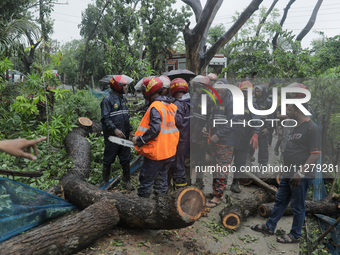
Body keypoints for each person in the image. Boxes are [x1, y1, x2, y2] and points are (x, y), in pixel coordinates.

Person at [251, 102, 321, 244]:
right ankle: (270, 226)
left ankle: (295, 235)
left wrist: (300, 174)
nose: (286, 113)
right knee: (280, 200)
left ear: (297, 111)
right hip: (287, 173)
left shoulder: (312, 128)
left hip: (300, 176)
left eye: (289, 110)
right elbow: (292, 149)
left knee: (297, 206)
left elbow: (315, 155)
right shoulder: (296, 127)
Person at [132, 77, 179, 198]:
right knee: (161, 182)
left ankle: (143, 208)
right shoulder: (170, 106)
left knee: (146, 182)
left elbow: (155, 129)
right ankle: (160, 206)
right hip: (169, 152)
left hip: (156, 153)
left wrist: (139, 140)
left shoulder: (155, 107)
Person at [203, 80, 234, 208]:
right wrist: (206, 127)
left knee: (221, 169)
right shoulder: (217, 101)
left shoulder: (231, 102)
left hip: (225, 142)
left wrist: (218, 135)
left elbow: (233, 123)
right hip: (214, 141)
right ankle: (216, 191)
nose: (218, 90)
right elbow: (212, 117)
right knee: (215, 167)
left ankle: (218, 196)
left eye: (221, 88)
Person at [100, 75, 134, 189]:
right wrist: (115, 130)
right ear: (117, 86)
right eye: (124, 85)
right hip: (112, 137)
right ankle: (104, 181)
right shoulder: (107, 100)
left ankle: (127, 182)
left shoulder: (123, 99)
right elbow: (105, 118)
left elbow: (126, 117)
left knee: (126, 158)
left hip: (124, 136)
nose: (126, 87)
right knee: (108, 158)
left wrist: (130, 130)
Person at [230, 81, 259, 193]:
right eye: (244, 91)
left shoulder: (253, 106)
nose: (246, 94)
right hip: (231, 138)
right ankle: (220, 185)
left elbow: (257, 120)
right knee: (225, 162)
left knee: (239, 163)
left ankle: (235, 183)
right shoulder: (232, 103)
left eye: (248, 92)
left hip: (244, 139)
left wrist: (256, 134)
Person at [168, 78, 190, 190]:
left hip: (179, 141)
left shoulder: (177, 104)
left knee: (178, 169)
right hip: (190, 140)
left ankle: (180, 194)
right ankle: (187, 190)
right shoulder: (191, 101)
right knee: (186, 167)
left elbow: (178, 121)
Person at [190, 75, 211, 189]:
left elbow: (210, 119)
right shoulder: (193, 97)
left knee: (200, 160)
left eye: (200, 87)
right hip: (191, 133)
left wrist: (205, 137)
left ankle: (199, 181)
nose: (198, 89)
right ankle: (188, 181)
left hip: (201, 135)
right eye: (196, 86)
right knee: (190, 159)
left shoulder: (210, 100)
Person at [248, 85, 272, 168]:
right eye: (256, 91)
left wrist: (267, 128)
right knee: (251, 145)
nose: (257, 93)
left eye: (259, 91)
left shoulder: (268, 102)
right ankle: (248, 161)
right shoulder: (253, 101)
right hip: (253, 127)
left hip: (263, 127)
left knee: (263, 148)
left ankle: (263, 165)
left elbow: (271, 116)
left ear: (263, 92)